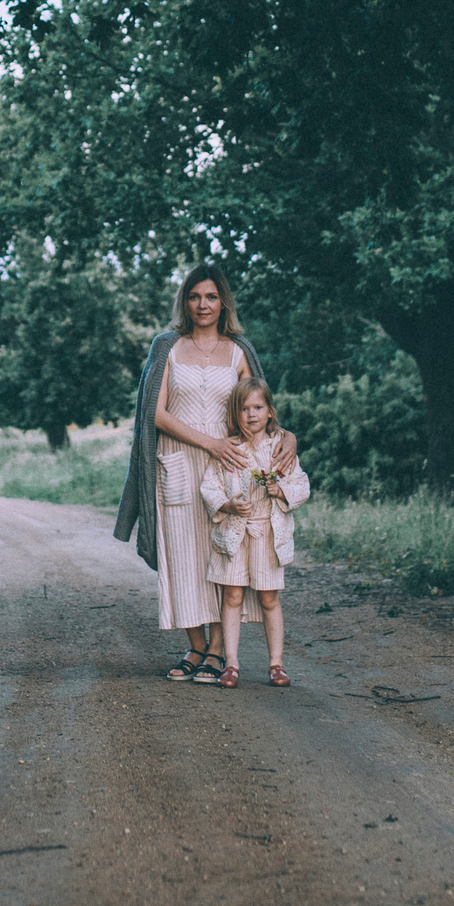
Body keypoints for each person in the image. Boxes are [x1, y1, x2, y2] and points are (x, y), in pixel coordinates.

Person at [113, 264, 266, 683]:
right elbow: (154, 413)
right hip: (177, 463)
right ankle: (196, 646)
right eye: (195, 296)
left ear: (223, 303)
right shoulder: (168, 346)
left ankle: (219, 649)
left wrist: (283, 440)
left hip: (226, 468)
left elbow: (258, 411)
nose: (203, 304)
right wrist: (208, 441)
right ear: (185, 301)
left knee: (222, 555)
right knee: (180, 558)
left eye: (211, 297)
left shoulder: (238, 352)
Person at [200, 376, 309, 687]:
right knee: (232, 595)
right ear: (236, 415)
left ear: (270, 411)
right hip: (236, 534)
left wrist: (281, 489)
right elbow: (209, 486)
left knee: (269, 598)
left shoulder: (281, 449)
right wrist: (228, 506)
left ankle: (276, 663)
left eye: (258, 407)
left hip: (267, 534)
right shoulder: (230, 449)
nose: (251, 414)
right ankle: (231, 663)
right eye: (244, 409)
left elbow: (302, 484)